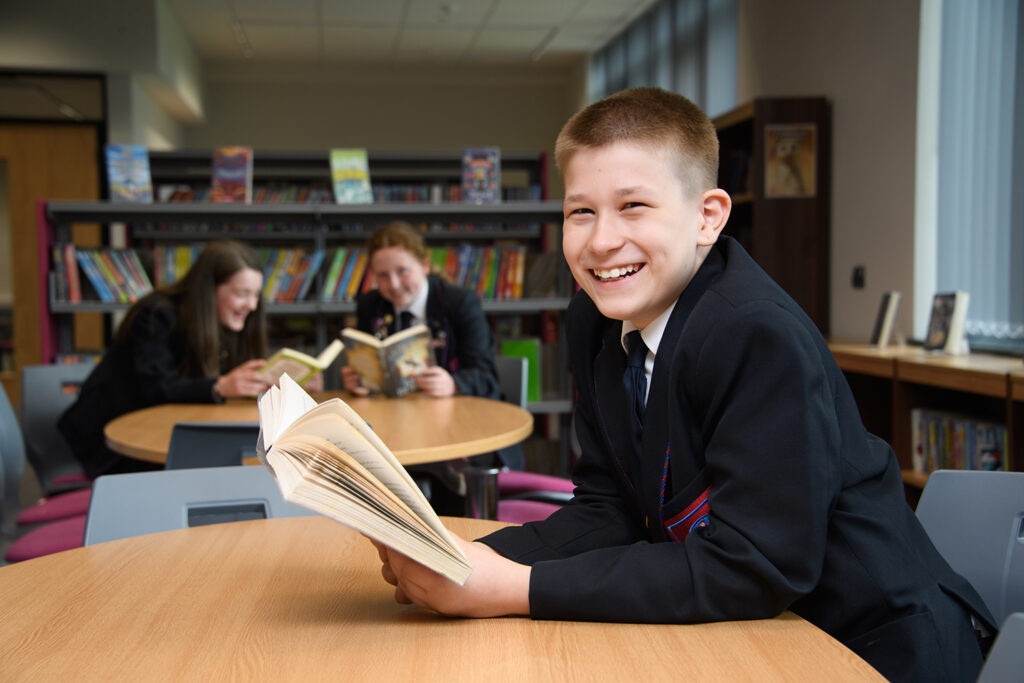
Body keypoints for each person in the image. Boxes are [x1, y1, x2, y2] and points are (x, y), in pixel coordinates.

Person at [370, 88, 995, 682]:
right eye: (580, 211)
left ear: (707, 216)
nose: (601, 239)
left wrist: (511, 588)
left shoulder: (756, 336)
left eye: (632, 206)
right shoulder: (594, 318)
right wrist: (472, 559)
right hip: (744, 633)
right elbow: (609, 508)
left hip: (868, 643)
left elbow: (755, 566)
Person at [58, 240, 279, 477]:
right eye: (241, 294)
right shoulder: (156, 314)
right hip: (113, 441)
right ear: (208, 289)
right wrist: (219, 386)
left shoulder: (229, 320)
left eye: (256, 294)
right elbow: (157, 389)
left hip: (168, 430)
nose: (252, 305)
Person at [341, 220, 499, 400]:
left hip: (455, 413)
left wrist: (454, 383)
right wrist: (360, 381)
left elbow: (486, 377)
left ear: (424, 265)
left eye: (402, 271)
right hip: (393, 414)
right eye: (382, 275)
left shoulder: (461, 302)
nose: (394, 285)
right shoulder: (370, 304)